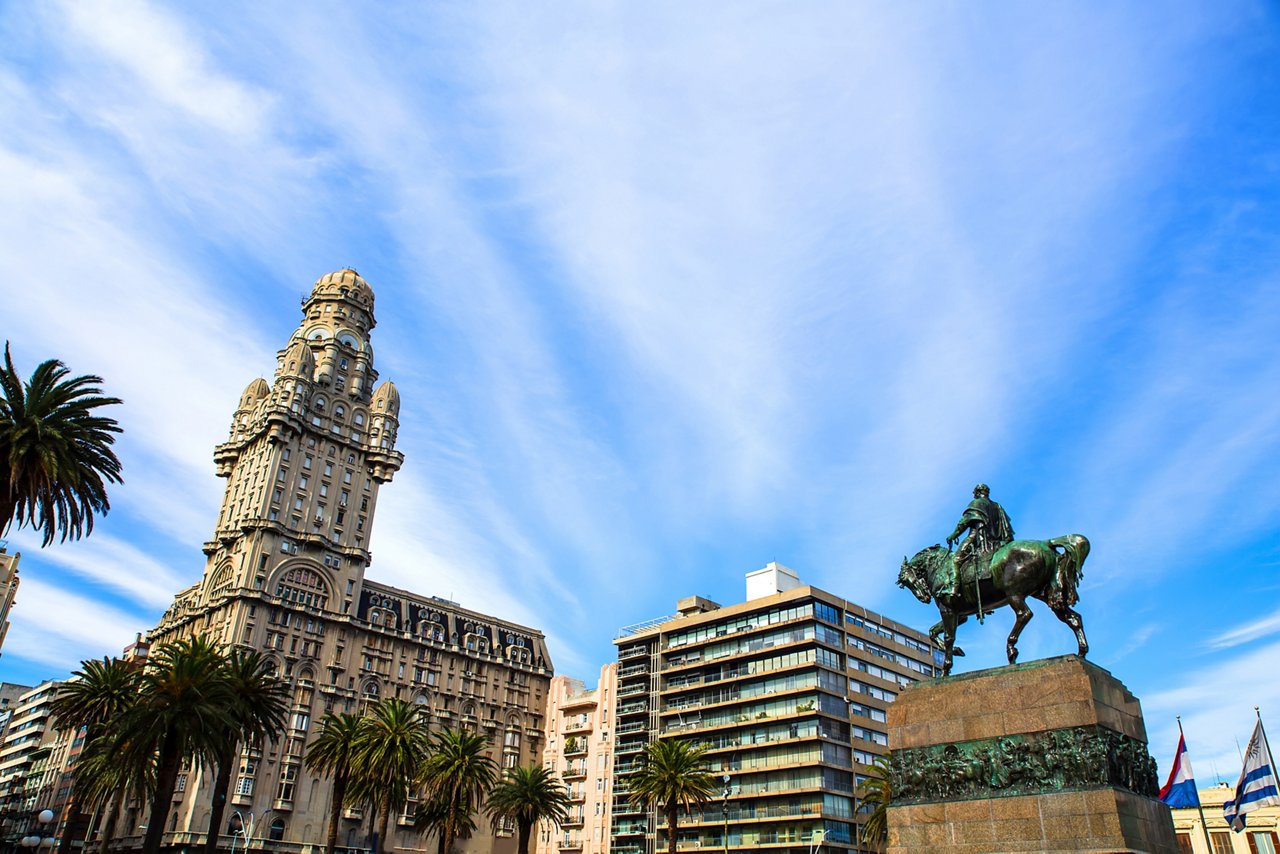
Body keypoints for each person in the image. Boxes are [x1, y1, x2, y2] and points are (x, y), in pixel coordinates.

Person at [940, 484, 1015, 597]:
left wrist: (953, 536)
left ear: (977, 492)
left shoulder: (976, 503)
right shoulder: (997, 506)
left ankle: (953, 588)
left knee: (955, 560)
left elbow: (963, 523)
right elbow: (1006, 527)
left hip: (979, 539)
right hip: (997, 543)